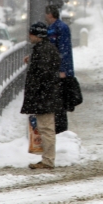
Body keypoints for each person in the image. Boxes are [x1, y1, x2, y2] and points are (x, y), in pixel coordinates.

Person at [21, 22, 62, 170]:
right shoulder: (46, 49)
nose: (29, 36)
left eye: (31, 34)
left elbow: (42, 74)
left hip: (44, 97)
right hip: (47, 96)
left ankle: (48, 161)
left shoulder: (42, 51)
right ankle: (47, 159)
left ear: (37, 35)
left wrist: (36, 92)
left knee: (46, 129)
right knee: (46, 128)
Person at [45, 5, 74, 134]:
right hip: (54, 71)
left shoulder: (59, 28)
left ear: (50, 14)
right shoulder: (53, 28)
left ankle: (61, 129)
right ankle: (58, 127)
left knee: (59, 101)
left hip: (59, 72)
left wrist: (62, 70)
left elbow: (63, 50)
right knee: (56, 100)